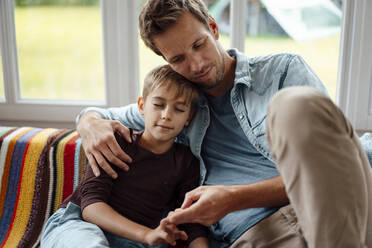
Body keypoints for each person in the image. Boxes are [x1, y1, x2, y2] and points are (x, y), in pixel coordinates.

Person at [76, 0, 372, 247]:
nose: (196, 65)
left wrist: (233, 198)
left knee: (292, 104)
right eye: (178, 59)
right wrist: (88, 123)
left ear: (214, 28)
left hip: (333, 205)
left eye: (199, 44)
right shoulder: (177, 108)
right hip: (259, 234)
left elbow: (331, 163)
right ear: (166, 61)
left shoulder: (282, 71)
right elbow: (101, 115)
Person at [41, 65, 210, 248]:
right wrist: (147, 234)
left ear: (189, 117)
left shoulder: (186, 161)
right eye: (158, 105)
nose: (166, 115)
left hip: (134, 239)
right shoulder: (118, 141)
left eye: (179, 109)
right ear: (142, 106)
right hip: (78, 224)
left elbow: (190, 221)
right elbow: (91, 207)